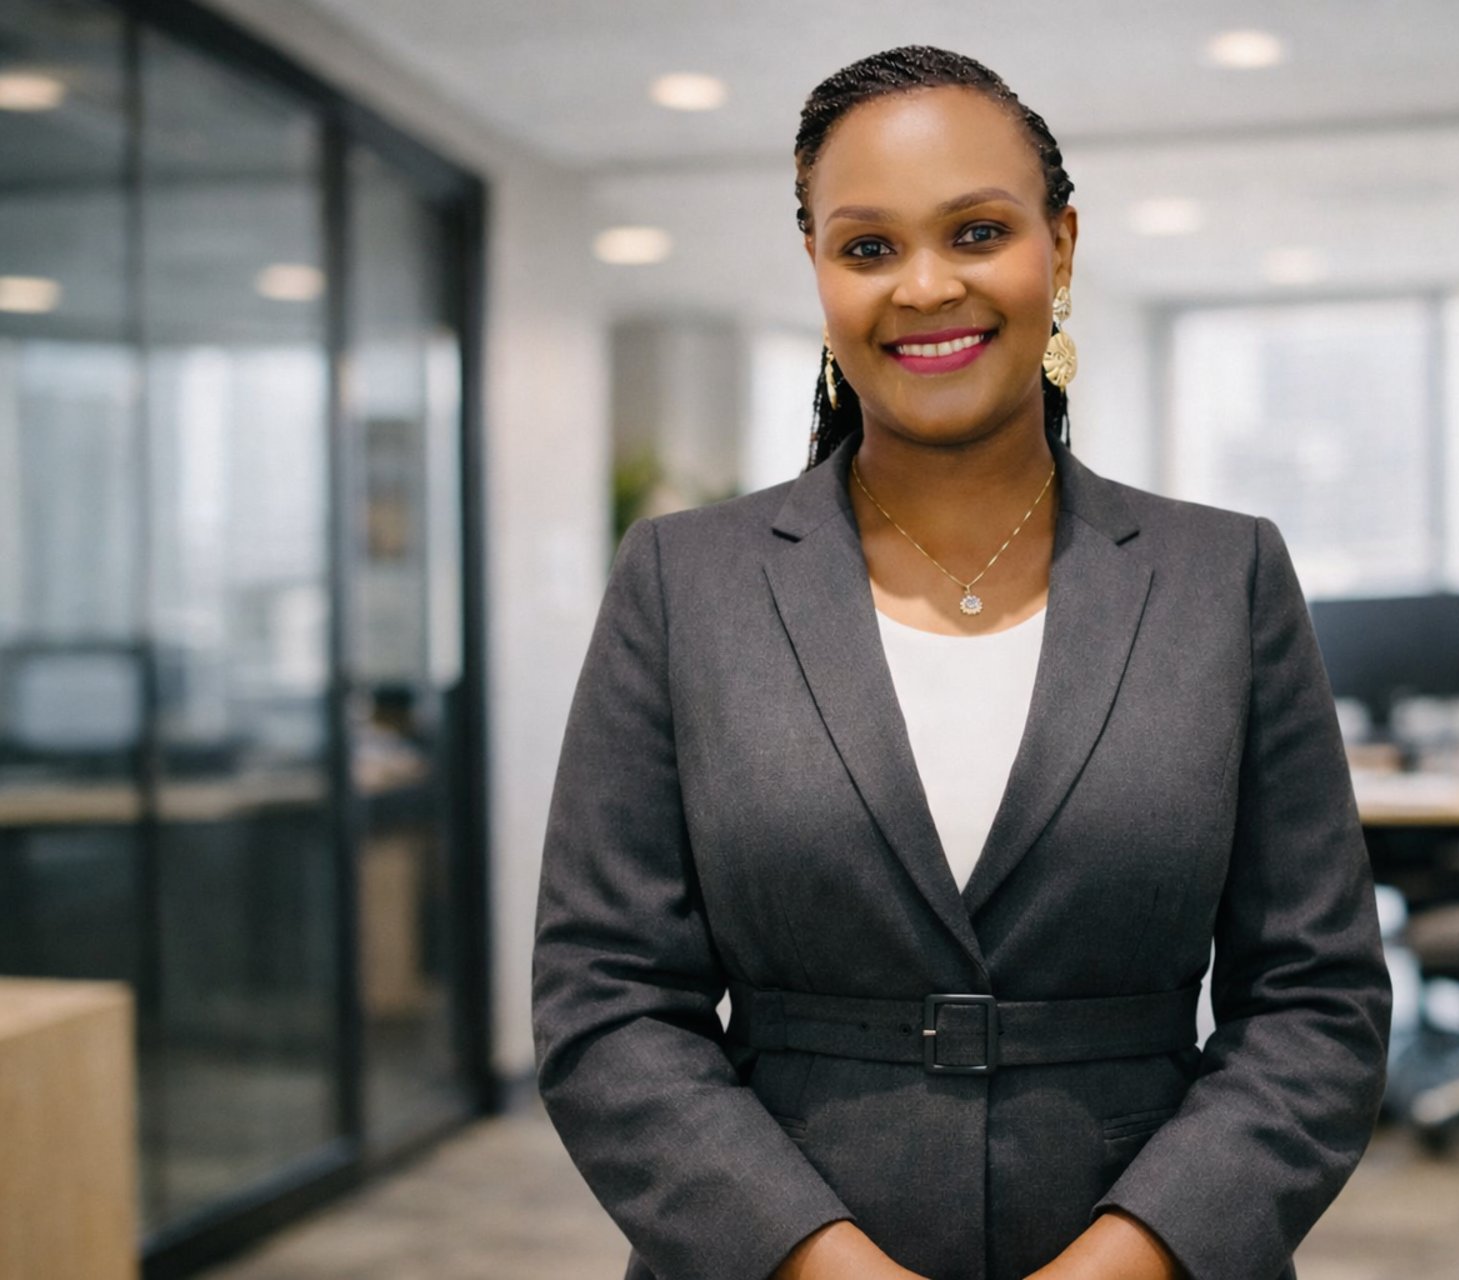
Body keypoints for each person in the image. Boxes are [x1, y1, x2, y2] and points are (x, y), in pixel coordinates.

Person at [532, 45, 1391, 1280]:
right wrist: (817, 1264)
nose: (926, 286)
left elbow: (1319, 998)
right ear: (819, 273)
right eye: (868, 247)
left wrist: (1136, 1258)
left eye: (977, 231)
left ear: (1064, 245)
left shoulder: (1223, 577)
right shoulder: (686, 581)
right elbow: (605, 998)